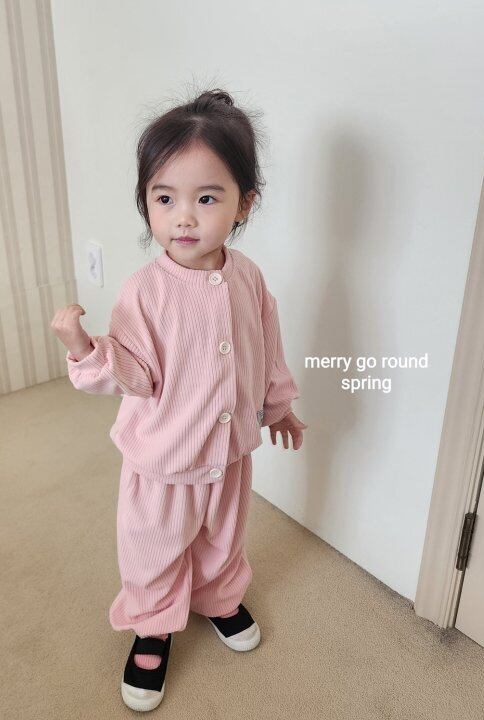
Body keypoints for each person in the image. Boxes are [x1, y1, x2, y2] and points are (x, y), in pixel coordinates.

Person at [51, 88, 308, 712]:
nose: (183, 218)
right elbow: (135, 373)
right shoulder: (145, 292)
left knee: (224, 536)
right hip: (164, 459)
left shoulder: (248, 277)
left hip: (230, 450)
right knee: (155, 545)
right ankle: (152, 624)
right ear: (146, 202)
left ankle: (217, 597)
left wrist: (278, 405)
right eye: (164, 199)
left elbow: (265, 345)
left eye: (206, 199)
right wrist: (85, 348)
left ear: (244, 203)